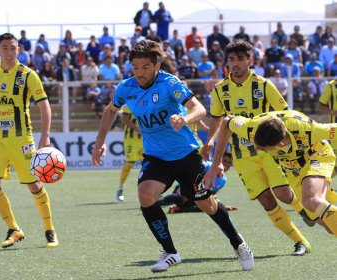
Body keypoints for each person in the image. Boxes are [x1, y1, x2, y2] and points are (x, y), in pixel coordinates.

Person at [91, 39, 254, 273]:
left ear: (157, 65)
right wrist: (99, 143)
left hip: (185, 154)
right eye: (135, 68)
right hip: (156, 156)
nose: (140, 73)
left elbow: (199, 109)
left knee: (206, 204)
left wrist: (184, 119)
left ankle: (238, 242)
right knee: (145, 195)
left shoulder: (169, 83)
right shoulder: (126, 87)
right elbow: (110, 111)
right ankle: (170, 251)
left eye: (145, 67)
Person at [201, 40, 312, 256]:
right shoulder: (220, 90)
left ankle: (304, 210)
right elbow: (217, 119)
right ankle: (300, 242)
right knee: (266, 200)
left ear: (250, 60)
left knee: (283, 193)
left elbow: (285, 115)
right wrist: (211, 140)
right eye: (232, 59)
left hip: (270, 151)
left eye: (241, 59)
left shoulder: (264, 85)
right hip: (242, 156)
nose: (236, 64)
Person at [0, 33, 58, 248]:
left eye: (13, 48)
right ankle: (14, 228)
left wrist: (45, 135)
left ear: (18, 49)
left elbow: (44, 106)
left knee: (33, 184)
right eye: (5, 48)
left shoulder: (28, 75)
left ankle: (49, 229)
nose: (9, 52)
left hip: (22, 139)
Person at [208, 110, 337, 236]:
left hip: (317, 155)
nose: (257, 148)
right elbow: (226, 121)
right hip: (293, 171)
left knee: (311, 200)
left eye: (262, 147)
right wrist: (217, 161)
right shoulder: (251, 127)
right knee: (329, 226)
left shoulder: (308, 129)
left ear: (280, 144)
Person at [159, 153, 237, 213]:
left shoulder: (223, 180)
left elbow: (211, 195)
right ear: (219, 159)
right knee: (182, 198)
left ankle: (178, 208)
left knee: (206, 206)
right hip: (185, 188)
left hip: (197, 197)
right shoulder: (206, 165)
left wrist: (221, 206)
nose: (226, 164)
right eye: (224, 161)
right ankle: (156, 202)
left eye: (229, 163)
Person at [116, 105, 144, 202]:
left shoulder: (148, 100)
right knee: (129, 163)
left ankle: (156, 192)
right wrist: (137, 129)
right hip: (131, 140)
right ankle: (120, 189)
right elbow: (125, 120)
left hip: (146, 139)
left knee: (149, 165)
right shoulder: (129, 104)